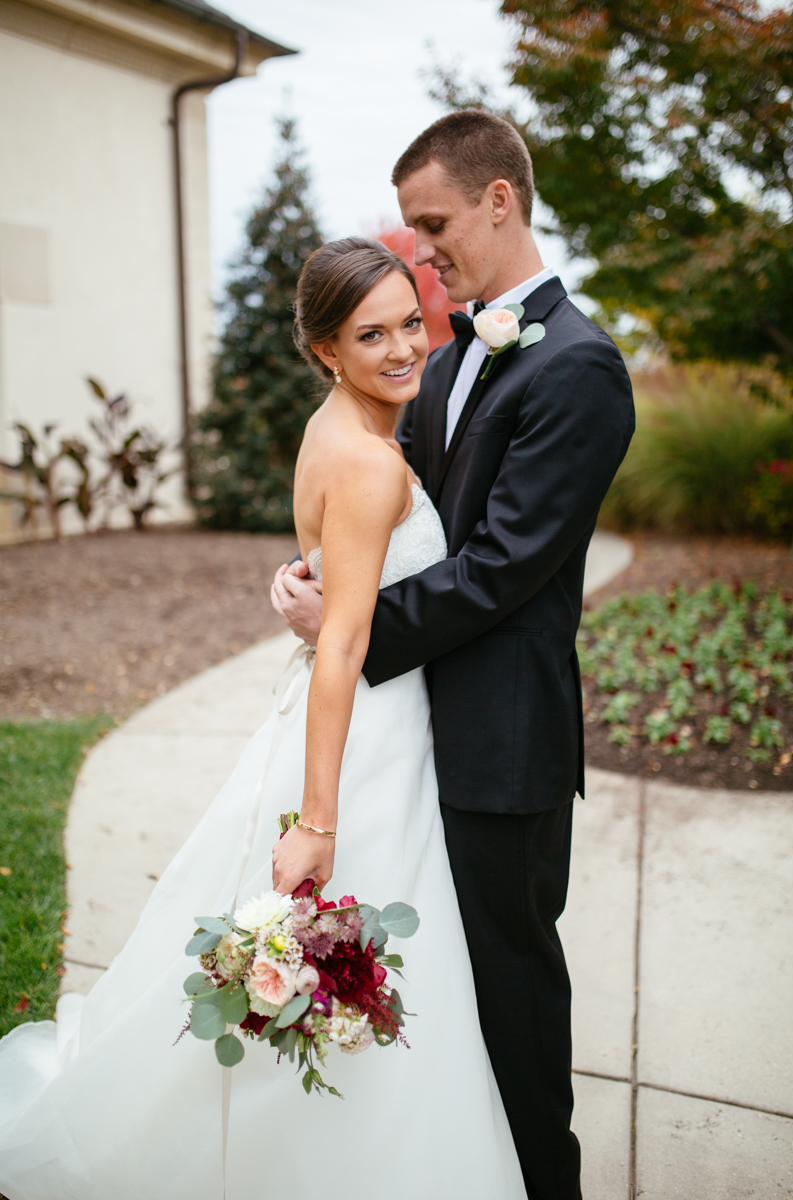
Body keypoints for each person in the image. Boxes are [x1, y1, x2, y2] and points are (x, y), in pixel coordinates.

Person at [0, 238, 527, 1200]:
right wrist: (319, 820)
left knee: (344, 967)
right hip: (368, 737)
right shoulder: (369, 464)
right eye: (372, 334)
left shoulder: (333, 429)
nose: (405, 347)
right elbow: (342, 647)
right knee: (356, 949)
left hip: (351, 718)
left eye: (412, 321)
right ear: (326, 349)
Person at [271, 110, 636, 1200]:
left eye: (432, 225)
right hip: (413, 727)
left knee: (512, 987)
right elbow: (396, 520)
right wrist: (311, 581)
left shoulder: (579, 369)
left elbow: (501, 568)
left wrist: (347, 629)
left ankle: (542, 1184)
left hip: (499, 742)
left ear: (498, 200)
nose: (418, 251)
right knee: (431, 981)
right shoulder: (443, 359)